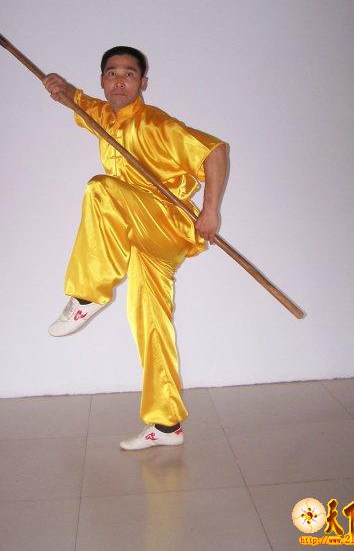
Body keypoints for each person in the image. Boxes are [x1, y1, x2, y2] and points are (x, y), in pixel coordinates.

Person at [43, 46, 228, 450]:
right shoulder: (104, 116)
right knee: (150, 320)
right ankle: (166, 425)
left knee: (101, 189)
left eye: (129, 74)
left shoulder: (157, 124)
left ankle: (87, 295)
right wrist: (61, 88)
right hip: (140, 234)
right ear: (103, 80)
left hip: (166, 223)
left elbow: (216, 150)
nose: (119, 80)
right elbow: (77, 101)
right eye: (112, 73)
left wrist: (211, 210)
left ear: (143, 82)